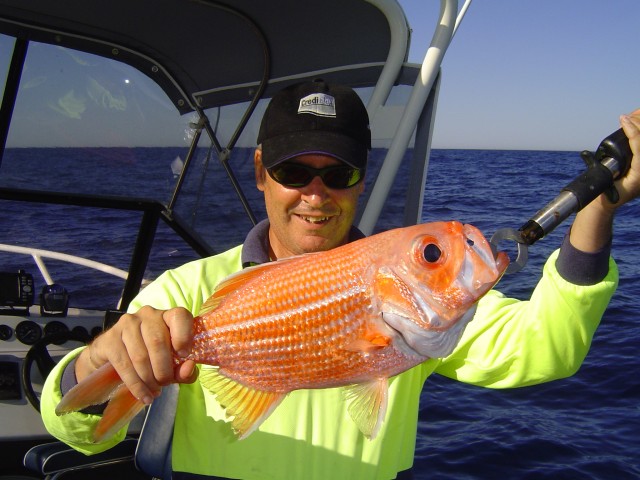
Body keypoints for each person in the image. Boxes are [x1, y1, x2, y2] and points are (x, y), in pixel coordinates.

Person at [41, 80, 640, 480]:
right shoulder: (188, 291)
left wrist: (597, 209)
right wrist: (94, 362)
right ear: (261, 173)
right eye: (294, 169)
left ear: (361, 178)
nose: (315, 194)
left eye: (340, 172)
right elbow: (72, 431)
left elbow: (548, 347)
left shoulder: (436, 320)